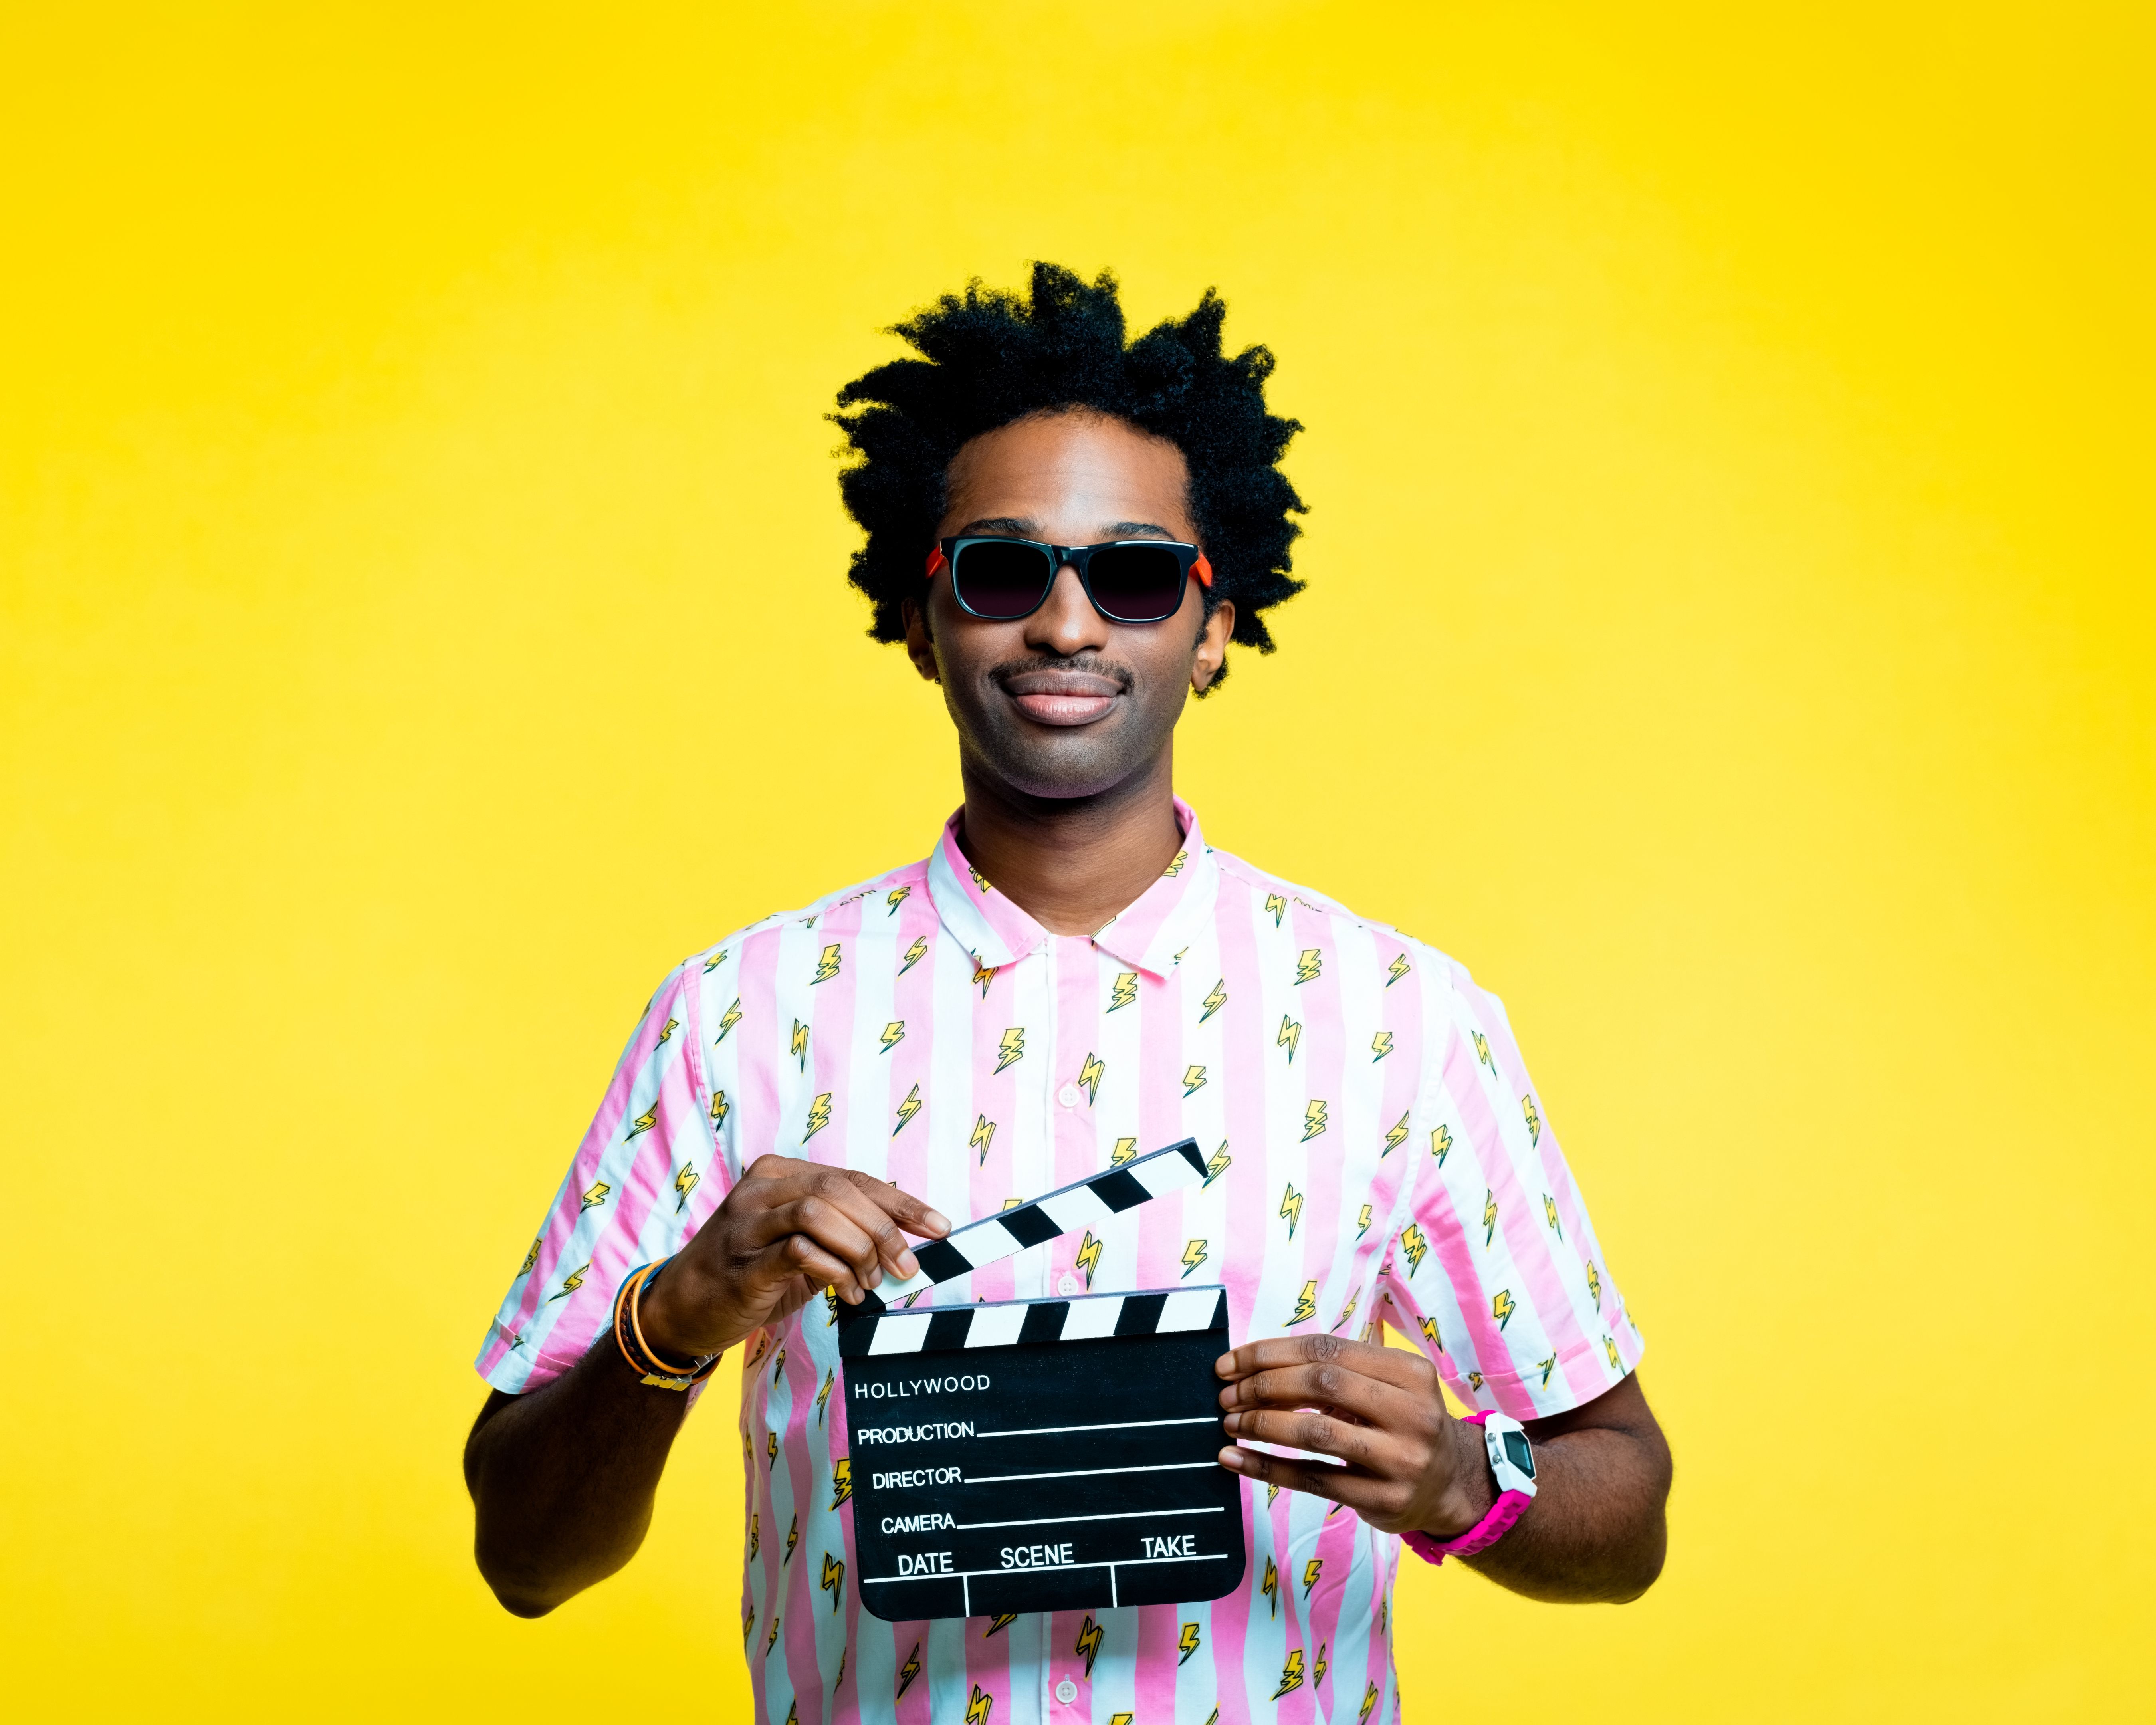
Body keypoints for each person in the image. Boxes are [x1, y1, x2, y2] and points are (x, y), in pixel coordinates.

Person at [464, 264, 1671, 1723]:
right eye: (1003, 570)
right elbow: (525, 1557)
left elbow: (1629, 1513)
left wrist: (1466, 1484)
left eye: (1138, 574)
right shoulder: (737, 1012)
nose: (1069, 624)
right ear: (924, 619)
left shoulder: (1402, 1015)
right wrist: (678, 1315)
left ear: (1212, 629)